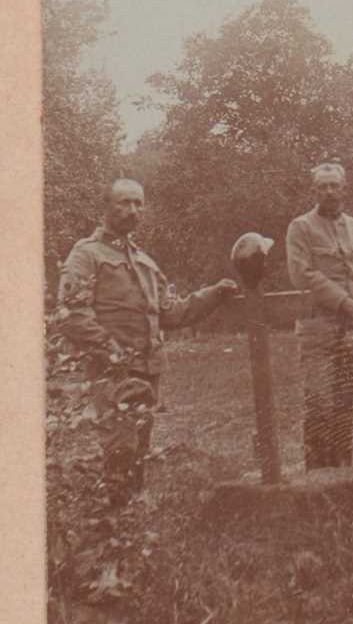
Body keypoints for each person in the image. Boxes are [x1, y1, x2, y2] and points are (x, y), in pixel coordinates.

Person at [55, 178, 238, 504]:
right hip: (114, 372)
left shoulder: (144, 260)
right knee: (119, 450)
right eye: (124, 203)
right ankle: (112, 531)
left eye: (138, 203)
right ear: (105, 208)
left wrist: (214, 293)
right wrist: (112, 352)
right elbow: (72, 314)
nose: (133, 210)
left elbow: (171, 313)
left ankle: (129, 530)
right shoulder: (86, 256)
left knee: (139, 450)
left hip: (148, 371)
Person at [286, 162, 353, 471]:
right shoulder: (301, 227)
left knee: (346, 401)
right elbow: (302, 274)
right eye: (322, 186)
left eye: (334, 185)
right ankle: (317, 474)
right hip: (318, 328)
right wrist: (344, 303)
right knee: (319, 402)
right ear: (314, 190)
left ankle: (343, 471)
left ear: (344, 188)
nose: (329, 192)